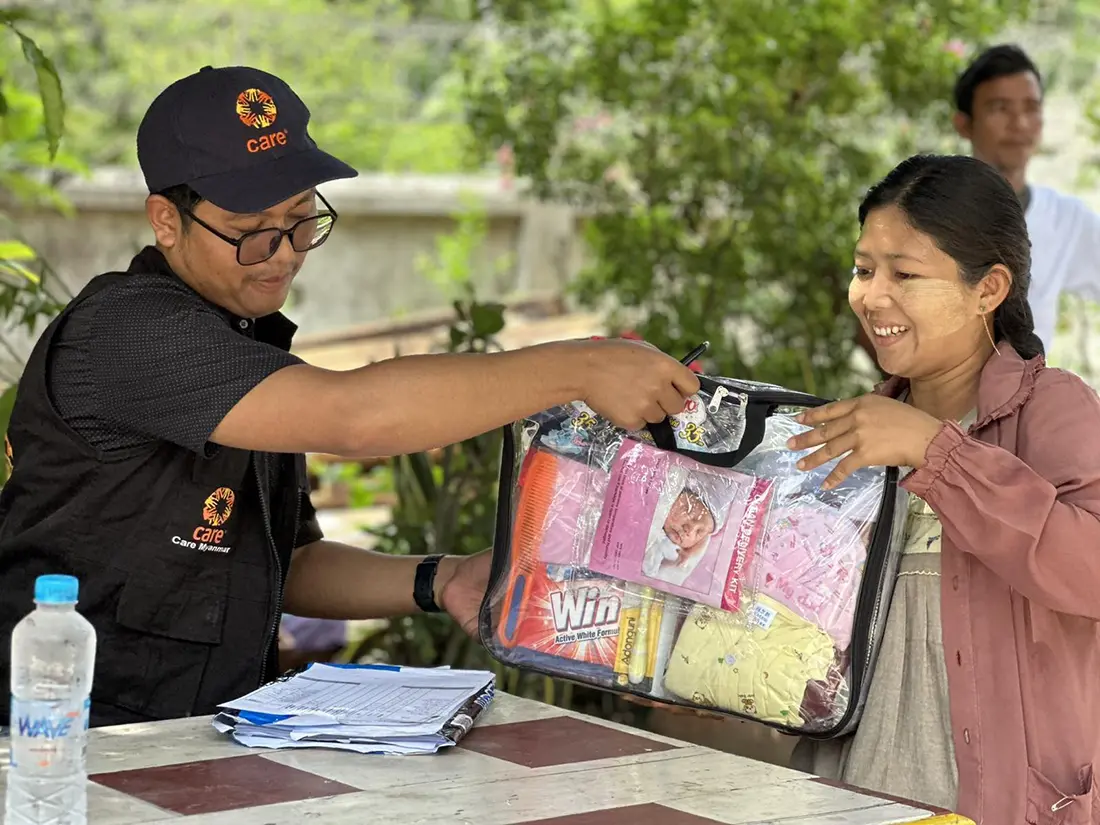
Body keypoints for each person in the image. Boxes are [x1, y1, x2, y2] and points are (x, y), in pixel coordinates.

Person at [0, 65, 700, 729]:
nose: (284, 253)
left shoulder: (248, 350)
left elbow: (294, 564)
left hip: (197, 747)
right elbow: (356, 416)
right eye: (251, 234)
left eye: (302, 219)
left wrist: (442, 578)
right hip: (70, 745)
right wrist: (580, 366)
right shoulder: (129, 332)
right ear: (165, 220)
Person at [787, 154, 1100, 823]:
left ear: (988, 288)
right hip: (837, 798)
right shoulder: (853, 431)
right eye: (863, 268)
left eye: (904, 273)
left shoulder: (1054, 409)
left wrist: (937, 453)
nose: (871, 295)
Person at [953, 43, 1100, 354]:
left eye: (1031, 108)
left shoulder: (1066, 219)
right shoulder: (923, 210)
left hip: (1028, 400)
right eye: (1000, 108)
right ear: (964, 124)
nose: (1019, 124)